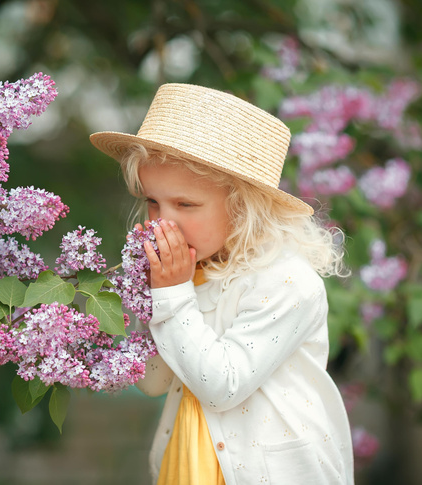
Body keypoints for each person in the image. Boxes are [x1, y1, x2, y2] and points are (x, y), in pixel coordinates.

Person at [90, 83, 354, 485]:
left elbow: (223, 386)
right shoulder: (188, 272)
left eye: (186, 204)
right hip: (188, 467)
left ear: (244, 208)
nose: (164, 222)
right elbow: (152, 381)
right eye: (152, 202)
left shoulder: (287, 281)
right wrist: (149, 296)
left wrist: (173, 296)